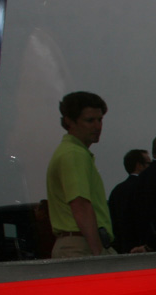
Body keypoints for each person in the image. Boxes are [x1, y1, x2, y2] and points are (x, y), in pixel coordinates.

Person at [45, 91, 114, 258]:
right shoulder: (74, 154)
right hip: (81, 245)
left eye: (100, 120)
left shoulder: (70, 152)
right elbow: (80, 205)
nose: (98, 126)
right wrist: (97, 252)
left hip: (79, 243)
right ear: (69, 121)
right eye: (90, 120)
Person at [108, 148, 151, 253]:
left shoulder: (116, 191)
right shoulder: (145, 188)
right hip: (142, 248)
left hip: (121, 248)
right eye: (149, 164)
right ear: (139, 165)